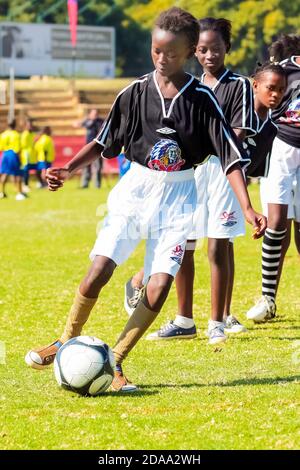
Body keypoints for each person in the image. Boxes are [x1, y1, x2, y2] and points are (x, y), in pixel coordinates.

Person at [25, 7, 266, 392]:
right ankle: (65, 338)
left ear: (188, 51)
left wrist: (249, 207)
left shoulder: (203, 99)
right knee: (99, 269)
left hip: (180, 196)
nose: (161, 58)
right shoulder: (135, 92)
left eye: (170, 52)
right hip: (135, 189)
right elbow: (103, 141)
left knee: (158, 285)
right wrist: (67, 169)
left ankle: (115, 362)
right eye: (156, 50)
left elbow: (231, 157)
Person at [125, 17, 257, 344]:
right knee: (183, 243)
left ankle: (217, 320)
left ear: (228, 47)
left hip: (224, 171)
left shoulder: (238, 85)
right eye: (202, 49)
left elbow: (236, 132)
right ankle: (184, 319)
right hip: (190, 173)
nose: (209, 55)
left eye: (215, 48)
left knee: (218, 245)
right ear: (192, 52)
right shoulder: (189, 88)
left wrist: (210, 143)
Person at [247, 34, 300, 322]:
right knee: (277, 222)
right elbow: (262, 91)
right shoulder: (285, 68)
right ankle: (268, 298)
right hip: (281, 147)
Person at [74, 109, 104, 189]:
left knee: (98, 167)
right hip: (88, 147)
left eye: (96, 113)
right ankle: (85, 184)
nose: (95, 115)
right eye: (93, 113)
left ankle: (97, 185)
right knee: (85, 165)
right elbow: (77, 124)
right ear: (90, 114)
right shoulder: (87, 121)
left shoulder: (100, 121)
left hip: (98, 147)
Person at [0, 119, 26, 200]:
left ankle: (2, 192)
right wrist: (20, 159)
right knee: (18, 174)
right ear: (15, 125)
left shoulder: (3, 134)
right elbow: (18, 148)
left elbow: (1, 147)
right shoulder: (16, 134)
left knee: (4, 173)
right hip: (13, 154)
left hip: (5, 154)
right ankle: (19, 193)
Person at [20, 119, 36, 192]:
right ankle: (24, 185)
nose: (30, 127)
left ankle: (26, 184)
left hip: (31, 155)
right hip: (26, 155)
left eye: (31, 125)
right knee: (25, 170)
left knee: (28, 170)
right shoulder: (25, 134)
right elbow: (23, 145)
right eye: (29, 125)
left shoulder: (32, 134)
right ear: (26, 126)